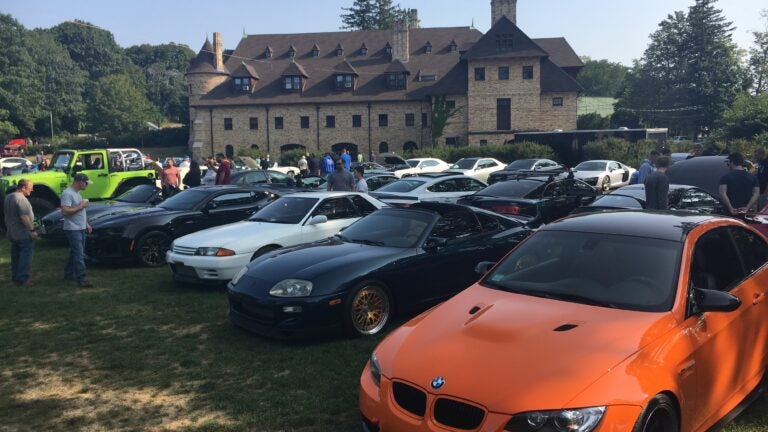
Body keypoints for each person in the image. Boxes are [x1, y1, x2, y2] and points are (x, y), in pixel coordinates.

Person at [61, 174, 93, 287]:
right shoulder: (67, 194)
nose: (87, 185)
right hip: (72, 228)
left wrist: (86, 224)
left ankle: (68, 273)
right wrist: (81, 206)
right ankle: (82, 279)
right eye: (86, 183)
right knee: (79, 254)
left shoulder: (77, 193)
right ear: (80, 182)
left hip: (80, 227)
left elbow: (79, 211)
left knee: (75, 252)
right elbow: (65, 211)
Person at [4, 179, 37, 286]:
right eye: (30, 188)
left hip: (12, 232)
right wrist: (32, 230)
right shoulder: (21, 199)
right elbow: (23, 216)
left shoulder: (9, 197)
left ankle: (15, 277)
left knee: (16, 256)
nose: (31, 191)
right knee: (25, 255)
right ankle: (23, 278)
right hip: (22, 233)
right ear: (23, 188)